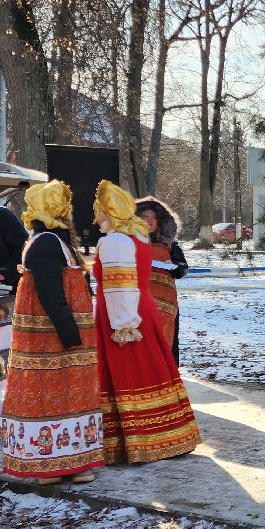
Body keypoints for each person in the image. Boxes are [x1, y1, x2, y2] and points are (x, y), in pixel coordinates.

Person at [0, 181, 103, 484]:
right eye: (64, 206)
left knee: (67, 395)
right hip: (52, 339)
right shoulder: (46, 242)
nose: (69, 212)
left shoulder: (52, 240)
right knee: (49, 395)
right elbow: (50, 293)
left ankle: (72, 463)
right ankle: (49, 466)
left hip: (58, 337)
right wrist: (70, 335)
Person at [91, 180, 201, 464]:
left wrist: (123, 325)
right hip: (141, 308)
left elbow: (120, 287)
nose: (96, 217)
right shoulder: (133, 238)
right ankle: (166, 435)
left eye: (100, 211)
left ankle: (143, 441)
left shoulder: (115, 241)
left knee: (133, 372)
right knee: (153, 367)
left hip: (125, 313)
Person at [135, 197, 189, 364]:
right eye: (145, 218)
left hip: (167, 304)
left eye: (153, 218)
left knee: (169, 338)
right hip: (139, 302)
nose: (149, 221)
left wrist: (175, 266)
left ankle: (170, 374)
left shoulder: (170, 243)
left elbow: (183, 267)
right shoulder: (129, 243)